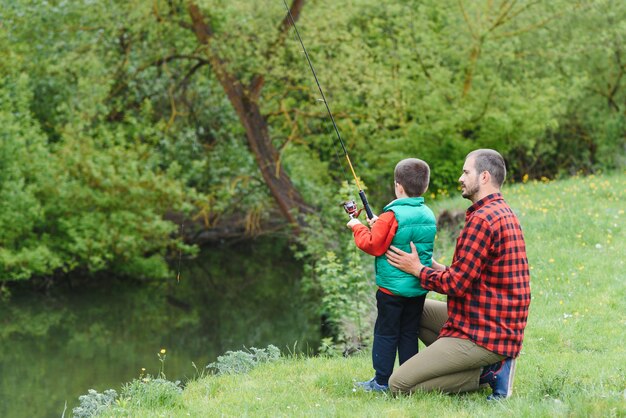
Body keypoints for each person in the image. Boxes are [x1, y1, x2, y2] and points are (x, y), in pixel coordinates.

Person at [385, 149, 531, 400]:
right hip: (487, 318)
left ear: (484, 177)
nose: (460, 178)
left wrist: (418, 270)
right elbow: (469, 274)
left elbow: (457, 285)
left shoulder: (483, 220)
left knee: (399, 384)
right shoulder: (500, 211)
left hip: (486, 332)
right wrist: (432, 264)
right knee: (411, 310)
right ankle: (473, 364)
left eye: (466, 172)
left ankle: (489, 373)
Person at [346, 158, 437, 392]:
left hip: (391, 291)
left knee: (386, 333)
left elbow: (374, 245)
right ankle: (407, 381)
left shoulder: (392, 215)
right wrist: (379, 224)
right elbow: (403, 236)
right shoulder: (428, 214)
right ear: (424, 187)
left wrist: (357, 225)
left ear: (398, 186)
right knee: (408, 333)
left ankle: (382, 381)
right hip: (417, 289)